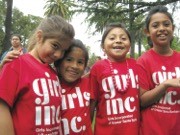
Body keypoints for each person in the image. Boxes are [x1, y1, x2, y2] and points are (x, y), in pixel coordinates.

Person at [0, 15, 75, 135]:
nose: (58, 54)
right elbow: (2, 107)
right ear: (40, 36)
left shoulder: (54, 73)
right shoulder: (16, 63)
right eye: (55, 46)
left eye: (64, 50)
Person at [137, 5, 180, 135]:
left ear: (172, 28)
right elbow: (142, 100)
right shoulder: (143, 61)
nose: (162, 29)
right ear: (147, 32)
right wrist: (165, 84)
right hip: (152, 130)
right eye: (155, 26)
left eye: (166, 24)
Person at [90, 23, 140, 135]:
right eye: (112, 38)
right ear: (103, 46)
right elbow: (92, 102)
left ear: (130, 45)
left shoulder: (136, 65)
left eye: (123, 38)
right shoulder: (97, 68)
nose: (118, 41)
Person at [54, 39, 93, 135]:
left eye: (80, 62)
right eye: (69, 60)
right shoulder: (50, 84)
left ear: (85, 66)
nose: (74, 66)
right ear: (58, 61)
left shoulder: (89, 84)